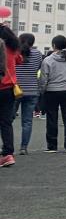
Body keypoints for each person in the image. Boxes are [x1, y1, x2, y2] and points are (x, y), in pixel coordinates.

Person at [14, 33, 43, 155]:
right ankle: (23, 147)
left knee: (7, 120)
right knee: (27, 121)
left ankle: (7, 146)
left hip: (15, 90)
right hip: (32, 90)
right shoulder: (38, 54)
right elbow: (39, 70)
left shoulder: (14, 52)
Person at [0, 23, 23, 167]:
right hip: (9, 89)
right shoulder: (13, 49)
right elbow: (20, 60)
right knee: (6, 122)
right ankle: (8, 154)